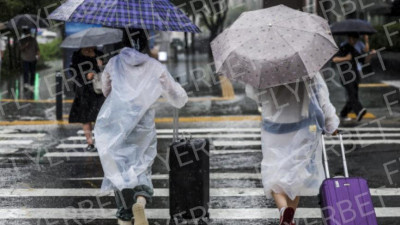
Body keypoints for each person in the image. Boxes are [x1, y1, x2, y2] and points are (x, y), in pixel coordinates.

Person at [93, 41, 188, 224]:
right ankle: (141, 200)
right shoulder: (154, 65)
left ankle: (124, 214)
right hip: (143, 123)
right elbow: (174, 93)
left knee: (120, 167)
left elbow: (106, 91)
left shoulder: (114, 62)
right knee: (142, 164)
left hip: (117, 121)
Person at [246, 73, 339, 225]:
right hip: (302, 127)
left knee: (275, 172)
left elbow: (256, 96)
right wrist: (331, 124)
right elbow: (322, 98)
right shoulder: (308, 71)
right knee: (296, 174)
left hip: (274, 128)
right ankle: (289, 218)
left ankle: (284, 211)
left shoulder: (264, 71)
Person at [68, 47, 105, 151]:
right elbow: (72, 72)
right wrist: (85, 75)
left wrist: (100, 66)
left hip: (98, 90)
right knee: (86, 117)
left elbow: (106, 71)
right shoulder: (77, 55)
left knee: (100, 117)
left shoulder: (99, 53)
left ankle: (101, 141)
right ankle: (90, 143)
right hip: (84, 90)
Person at [332, 34, 369, 122]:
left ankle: (343, 113)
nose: (355, 42)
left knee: (353, 95)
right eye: (353, 39)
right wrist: (346, 58)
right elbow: (334, 59)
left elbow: (363, 61)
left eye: (356, 40)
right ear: (349, 38)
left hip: (355, 75)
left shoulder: (353, 49)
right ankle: (359, 110)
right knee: (352, 94)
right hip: (346, 76)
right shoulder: (344, 47)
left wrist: (370, 55)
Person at [19, 27, 40, 93]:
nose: (27, 34)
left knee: (32, 72)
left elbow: (37, 49)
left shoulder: (33, 40)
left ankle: (32, 84)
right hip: (25, 58)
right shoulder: (22, 40)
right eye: (26, 32)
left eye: (28, 32)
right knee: (26, 71)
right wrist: (25, 45)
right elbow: (20, 49)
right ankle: (26, 84)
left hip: (33, 58)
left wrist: (38, 56)